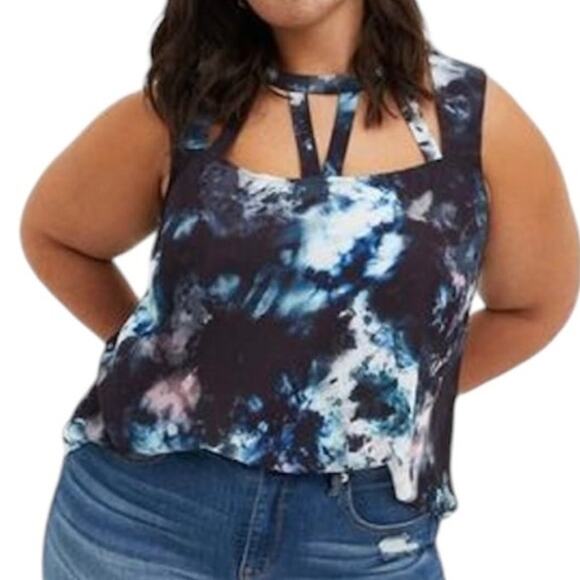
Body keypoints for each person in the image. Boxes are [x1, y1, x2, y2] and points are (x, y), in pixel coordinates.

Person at [20, 1, 579, 579]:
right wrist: (172, 358)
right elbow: (56, 236)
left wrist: (396, 393)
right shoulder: (182, 112)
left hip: (360, 535)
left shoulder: (470, 122)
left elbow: (533, 306)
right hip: (145, 516)